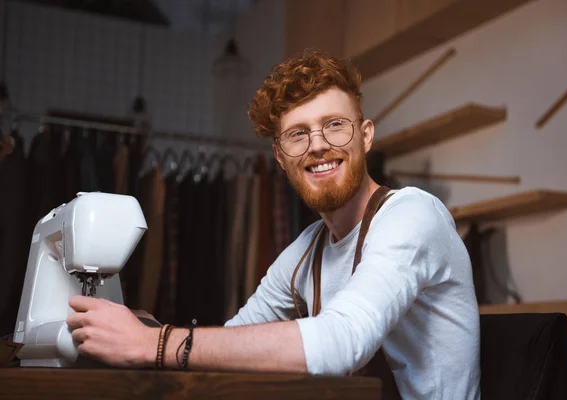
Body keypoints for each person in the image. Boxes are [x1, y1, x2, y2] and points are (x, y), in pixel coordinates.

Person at [66, 50, 481, 399]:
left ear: (366, 135)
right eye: (298, 134)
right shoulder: (307, 249)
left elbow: (343, 344)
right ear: (281, 158)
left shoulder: (412, 214)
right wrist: (145, 329)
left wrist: (155, 344)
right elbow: (236, 339)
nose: (318, 144)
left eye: (335, 125)